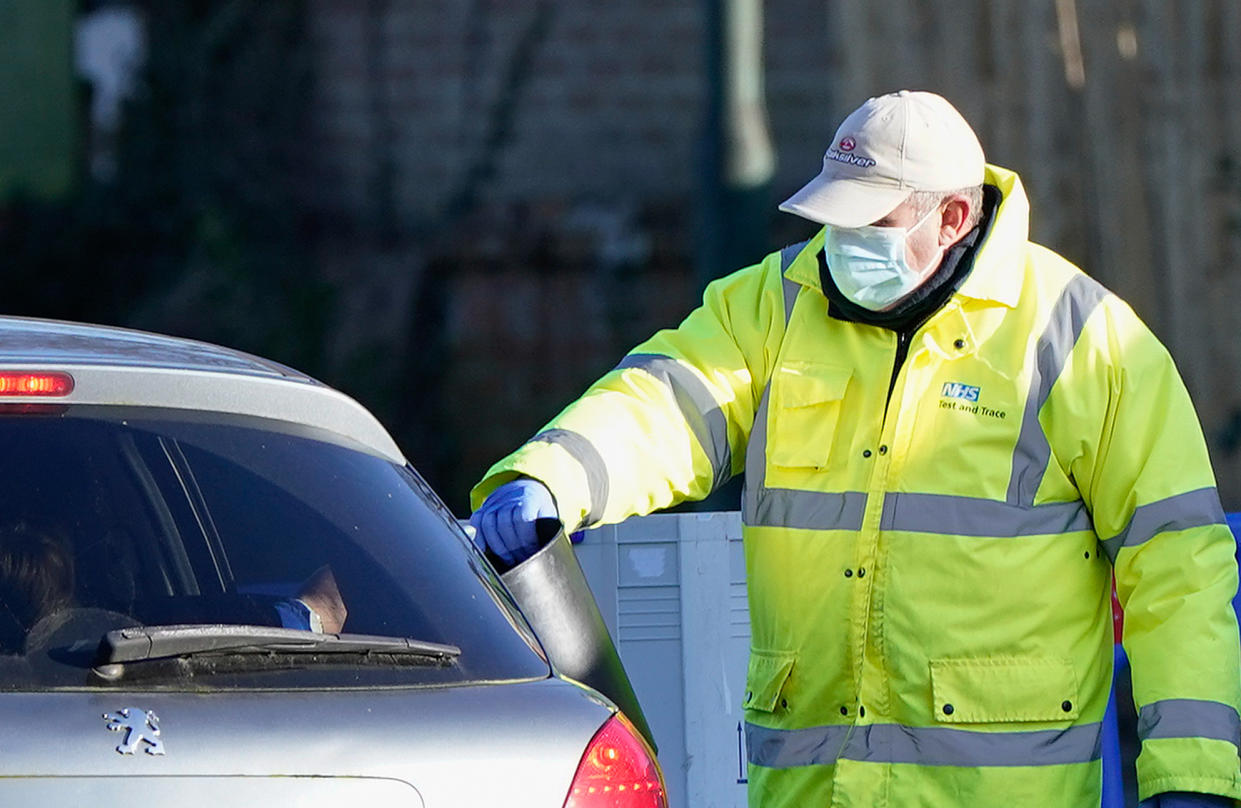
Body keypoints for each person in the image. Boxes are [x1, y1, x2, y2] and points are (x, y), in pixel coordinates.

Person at [468, 90, 1241, 807]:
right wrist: (551, 477)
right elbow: (667, 400)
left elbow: (1178, 567)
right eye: (833, 220)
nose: (842, 244)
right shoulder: (774, 306)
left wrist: (1191, 776)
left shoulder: (1084, 344)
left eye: (872, 223)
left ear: (952, 218)